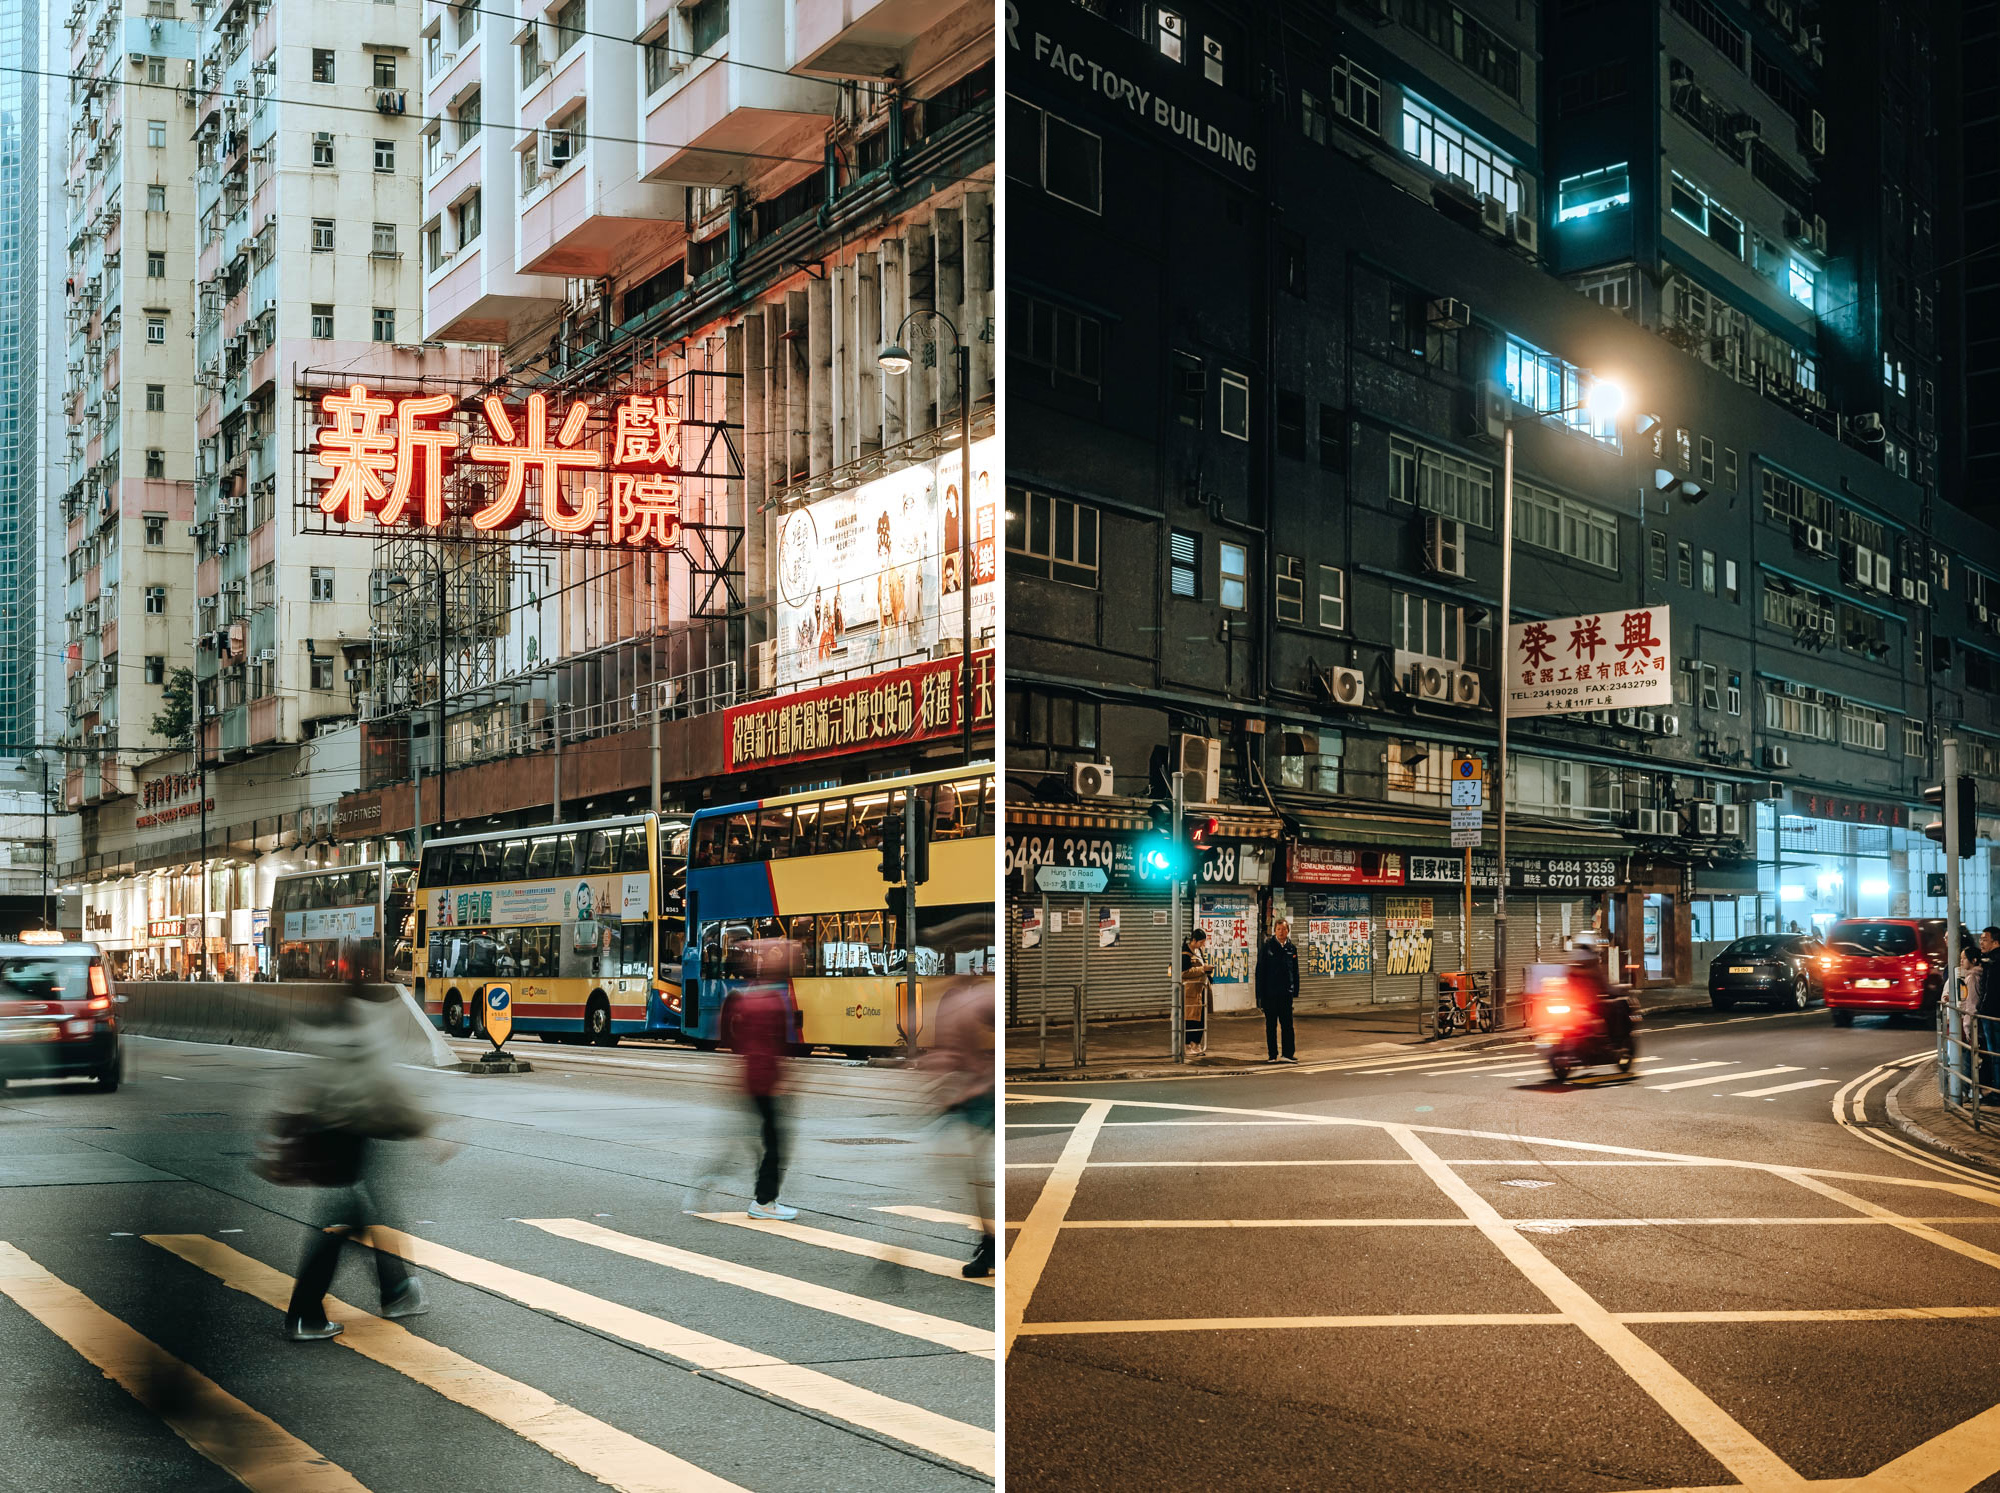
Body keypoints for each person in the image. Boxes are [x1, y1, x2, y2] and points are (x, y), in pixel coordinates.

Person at [280, 981, 432, 1342]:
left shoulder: (334, 1026)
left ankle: (395, 1290)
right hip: (347, 1133)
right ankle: (305, 1312)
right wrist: (422, 1127)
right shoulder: (365, 1031)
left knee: (362, 1212)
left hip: (333, 1131)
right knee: (343, 1220)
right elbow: (382, 1085)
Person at [721, 940, 797, 1221]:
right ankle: (764, 1201)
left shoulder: (746, 996)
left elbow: (730, 1036)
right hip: (766, 1079)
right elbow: (779, 1044)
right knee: (776, 1142)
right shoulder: (774, 1001)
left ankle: (764, 1198)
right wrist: (781, 1080)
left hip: (750, 1076)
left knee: (768, 1138)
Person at [927, 982, 995, 1278]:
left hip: (987, 1098)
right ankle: (990, 1242)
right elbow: (955, 1058)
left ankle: (992, 1244)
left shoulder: (975, 1003)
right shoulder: (960, 1006)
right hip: (978, 1098)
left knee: (981, 1175)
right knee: (976, 1174)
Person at [1256, 919, 1300, 1063]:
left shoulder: (1291, 948)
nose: (1282, 932)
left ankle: (1287, 1054)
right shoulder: (1267, 947)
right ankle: (1272, 1055)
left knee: (1287, 1025)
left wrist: (1295, 990)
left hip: (1286, 994)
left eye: (1284, 929)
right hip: (1270, 994)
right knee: (1271, 1026)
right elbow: (1260, 972)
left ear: (1288, 931)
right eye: (1279, 929)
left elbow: (1295, 971)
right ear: (1274, 931)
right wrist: (1260, 995)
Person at [1952, 946, 1983, 1104]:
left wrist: (1966, 1026)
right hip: (1974, 1023)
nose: (1961, 961)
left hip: (1971, 1024)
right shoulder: (1976, 975)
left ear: (1974, 960)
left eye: (1964, 958)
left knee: (1967, 1059)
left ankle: (1966, 1092)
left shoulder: (1972, 978)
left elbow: (1971, 1004)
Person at [1181, 930, 1211, 1057]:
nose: (1203, 944)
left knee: (1201, 1019)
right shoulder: (1185, 953)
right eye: (1201, 942)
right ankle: (1187, 1045)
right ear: (1194, 940)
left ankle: (1197, 1044)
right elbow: (1184, 973)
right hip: (1190, 992)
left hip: (1201, 990)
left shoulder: (1199, 951)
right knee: (1190, 1019)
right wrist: (1202, 969)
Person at [1979, 928, 2000, 1099]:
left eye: (1985, 939)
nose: (1981, 942)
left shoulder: (1993, 962)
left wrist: (1981, 1011)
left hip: (1992, 1015)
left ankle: (1997, 1092)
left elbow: (1990, 991)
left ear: (1995, 942)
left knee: (1995, 1054)